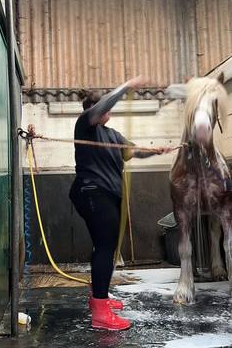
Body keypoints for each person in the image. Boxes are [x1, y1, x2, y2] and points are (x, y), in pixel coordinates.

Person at [69, 76, 172, 331]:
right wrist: (126, 87)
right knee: (105, 247)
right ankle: (101, 313)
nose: (108, 112)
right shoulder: (86, 125)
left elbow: (133, 152)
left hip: (107, 195)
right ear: (95, 110)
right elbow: (101, 107)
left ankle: (98, 299)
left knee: (105, 247)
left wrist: (156, 150)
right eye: (104, 108)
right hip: (93, 192)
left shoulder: (113, 135)